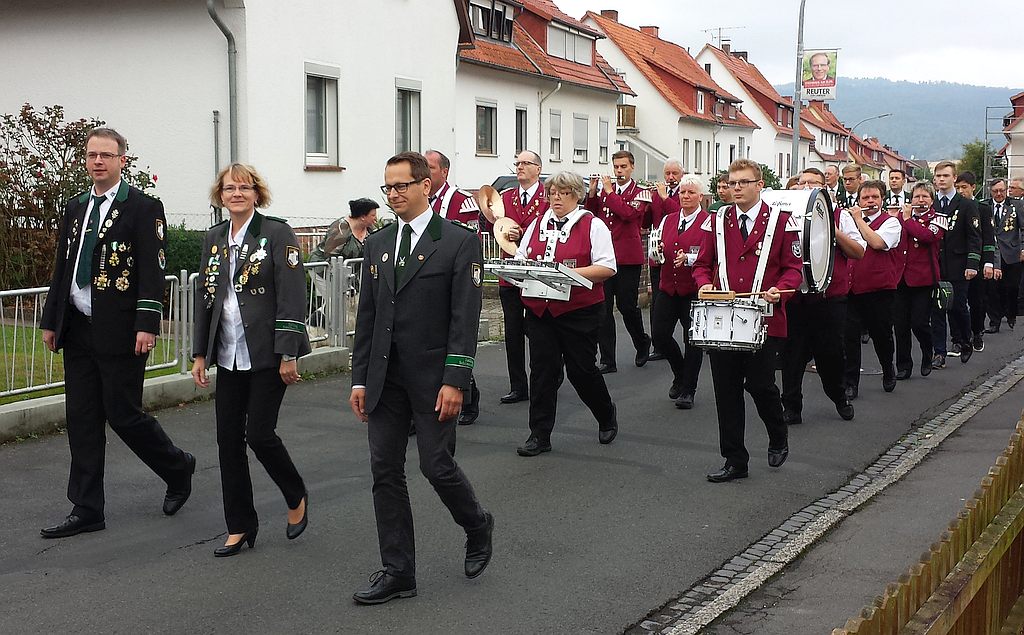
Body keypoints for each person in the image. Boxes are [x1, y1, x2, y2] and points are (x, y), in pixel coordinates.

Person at [349, 151, 492, 604]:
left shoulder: (457, 241)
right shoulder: (379, 243)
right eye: (387, 187)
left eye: (401, 186)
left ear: (425, 186)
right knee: (384, 469)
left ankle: (476, 523)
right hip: (384, 379)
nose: (392, 194)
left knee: (435, 464)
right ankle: (398, 571)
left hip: (433, 378)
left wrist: (457, 380)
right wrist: (358, 379)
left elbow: (463, 319)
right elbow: (368, 318)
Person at [38, 127, 195, 538]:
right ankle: (87, 507)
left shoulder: (142, 206)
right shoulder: (75, 207)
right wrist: (52, 319)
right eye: (91, 155)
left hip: (123, 330)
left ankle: (178, 467)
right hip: (78, 327)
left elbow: (152, 269)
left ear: (122, 160)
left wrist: (147, 323)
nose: (97, 162)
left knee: (123, 415)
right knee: (82, 418)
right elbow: (64, 267)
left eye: (106, 155)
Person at [190, 164, 312, 557]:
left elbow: (292, 293)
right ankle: (240, 526)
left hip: (268, 353)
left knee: (259, 434)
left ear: (257, 194)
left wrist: (289, 352)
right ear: (220, 196)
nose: (237, 193)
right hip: (228, 354)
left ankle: (295, 493)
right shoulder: (213, 238)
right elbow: (206, 297)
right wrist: (199, 353)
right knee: (228, 442)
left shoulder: (276, 233)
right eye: (229, 188)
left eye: (244, 187)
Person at [693, 159, 803, 483]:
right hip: (723, 318)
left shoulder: (782, 221)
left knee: (760, 386)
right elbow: (702, 263)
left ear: (759, 185)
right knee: (725, 391)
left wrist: (780, 291)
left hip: (763, 318)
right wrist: (703, 283)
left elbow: (793, 268)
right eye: (732, 182)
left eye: (743, 182)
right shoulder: (717, 219)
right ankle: (734, 459)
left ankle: (778, 432)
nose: (736, 187)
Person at [514, 172, 619, 456]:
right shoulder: (537, 224)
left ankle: (606, 412)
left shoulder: (592, 225)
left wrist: (566, 273)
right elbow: (522, 259)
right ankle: (539, 434)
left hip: (578, 310)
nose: (556, 199)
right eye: (552, 193)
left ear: (577, 195)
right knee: (542, 372)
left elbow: (607, 268)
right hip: (540, 309)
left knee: (581, 370)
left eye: (564, 193)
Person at [780, 168, 863, 425]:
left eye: (812, 183)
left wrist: (832, 229)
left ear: (824, 188)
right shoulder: (785, 217)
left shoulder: (841, 216)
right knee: (791, 355)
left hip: (829, 298)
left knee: (830, 355)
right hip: (795, 297)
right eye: (802, 183)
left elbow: (858, 251)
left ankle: (839, 396)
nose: (806, 188)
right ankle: (792, 407)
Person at [482, 150, 548, 405]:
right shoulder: (505, 197)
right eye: (517, 163)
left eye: (525, 163)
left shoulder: (546, 197)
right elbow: (492, 227)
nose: (519, 167)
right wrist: (493, 222)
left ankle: (545, 377)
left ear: (538, 169)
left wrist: (522, 232)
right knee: (512, 331)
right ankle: (518, 385)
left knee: (538, 328)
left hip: (535, 273)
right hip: (509, 274)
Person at [424, 149, 481, 424]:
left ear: (444, 172)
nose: (424, 173)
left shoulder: (461, 200)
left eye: (430, 168)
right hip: (425, 280)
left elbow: (468, 240)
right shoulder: (418, 198)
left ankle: (468, 394)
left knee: (454, 338)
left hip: (452, 277)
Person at [584, 150, 652, 373]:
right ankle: (607, 359)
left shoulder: (640, 193)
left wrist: (610, 192)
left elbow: (629, 215)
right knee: (603, 308)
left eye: (623, 167)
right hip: (605, 257)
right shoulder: (604, 194)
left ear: (632, 167)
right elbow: (590, 216)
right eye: (616, 167)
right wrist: (593, 194)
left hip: (627, 258)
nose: (619, 171)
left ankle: (642, 342)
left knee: (626, 306)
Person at [651, 175, 708, 410]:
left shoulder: (708, 222)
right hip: (667, 286)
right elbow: (656, 248)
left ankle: (688, 389)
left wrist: (690, 259)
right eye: (683, 192)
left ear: (700, 197)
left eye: (691, 193)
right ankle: (680, 372)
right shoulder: (668, 220)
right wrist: (659, 250)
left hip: (693, 289)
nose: (685, 196)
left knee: (692, 340)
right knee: (660, 335)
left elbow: (711, 257)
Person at [843, 180, 902, 398]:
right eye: (865, 198)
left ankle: (888, 369)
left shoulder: (891, 223)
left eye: (874, 197)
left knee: (882, 335)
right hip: (851, 288)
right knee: (849, 338)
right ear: (858, 201)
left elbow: (877, 243)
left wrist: (858, 220)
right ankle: (851, 382)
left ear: (882, 200)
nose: (870, 201)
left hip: (879, 289)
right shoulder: (848, 222)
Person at [930, 161, 981, 368]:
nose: (941, 179)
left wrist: (972, 264)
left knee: (958, 306)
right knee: (937, 308)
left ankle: (965, 340)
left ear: (954, 178)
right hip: (935, 265)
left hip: (959, 264)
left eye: (946, 176)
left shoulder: (966, 204)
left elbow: (974, 237)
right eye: (938, 176)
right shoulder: (931, 204)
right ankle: (939, 352)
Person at [893, 183, 945, 379]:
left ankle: (927, 352)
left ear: (932, 200)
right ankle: (903, 365)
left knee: (919, 323)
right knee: (900, 325)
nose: (920, 200)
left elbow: (927, 236)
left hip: (923, 279)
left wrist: (907, 219)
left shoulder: (939, 219)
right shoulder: (899, 217)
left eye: (925, 197)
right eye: (916, 197)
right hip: (900, 278)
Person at [646, 159, 684, 361]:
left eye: (674, 173)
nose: (670, 177)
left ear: (681, 175)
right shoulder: (655, 194)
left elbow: (679, 214)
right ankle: (658, 345)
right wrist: (645, 204)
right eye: (667, 173)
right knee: (657, 302)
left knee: (677, 305)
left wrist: (663, 196)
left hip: (676, 256)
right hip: (656, 255)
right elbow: (646, 222)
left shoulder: (684, 193)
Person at [954, 171, 994, 352]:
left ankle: (977, 331)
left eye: (964, 187)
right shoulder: (954, 206)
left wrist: (988, 262)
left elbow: (987, 238)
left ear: (973, 187)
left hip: (976, 262)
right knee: (956, 302)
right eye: (958, 187)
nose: (961, 191)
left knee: (977, 301)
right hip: (957, 261)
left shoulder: (983, 208)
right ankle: (959, 337)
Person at [984, 179, 1024, 332]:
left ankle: (1011, 314)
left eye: (1002, 190)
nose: (999, 194)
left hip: (1012, 253)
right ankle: (995, 321)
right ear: (990, 191)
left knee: (1012, 288)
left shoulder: (1016, 206)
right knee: (993, 290)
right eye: (995, 191)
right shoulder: (985, 206)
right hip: (993, 253)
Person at [309, 198, 379, 262]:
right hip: (325, 270)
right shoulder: (340, 229)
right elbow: (331, 257)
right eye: (373, 215)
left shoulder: (370, 229)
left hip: (352, 270)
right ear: (363, 217)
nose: (376, 218)